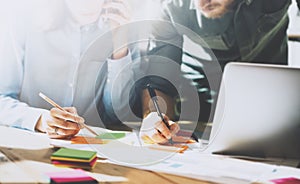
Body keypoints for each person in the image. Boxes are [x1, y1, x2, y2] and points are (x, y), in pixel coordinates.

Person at [140, 0, 291, 143]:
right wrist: (154, 117)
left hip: (275, 112)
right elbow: (158, 82)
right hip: (203, 118)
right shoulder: (171, 6)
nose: (200, 3)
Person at [0, 0, 140, 139]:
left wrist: (119, 46)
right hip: (31, 142)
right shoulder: (23, 21)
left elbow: (119, 114)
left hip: (91, 147)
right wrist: (39, 120)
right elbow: (2, 98)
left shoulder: (124, 27)